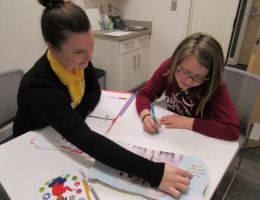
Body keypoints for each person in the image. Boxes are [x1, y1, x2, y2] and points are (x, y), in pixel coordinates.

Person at [13, 0, 192, 198]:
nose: (89, 57)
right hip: (31, 144)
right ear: (51, 47)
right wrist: (154, 173)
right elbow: (86, 139)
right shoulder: (39, 85)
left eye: (91, 46)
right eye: (79, 51)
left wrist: (75, 116)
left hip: (58, 132)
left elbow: (93, 92)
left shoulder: (79, 61)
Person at [136, 32, 240, 141]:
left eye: (199, 77)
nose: (189, 82)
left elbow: (232, 130)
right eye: (184, 72)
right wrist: (145, 116)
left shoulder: (215, 85)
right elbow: (145, 94)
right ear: (175, 63)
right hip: (175, 135)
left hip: (201, 139)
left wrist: (187, 122)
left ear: (210, 75)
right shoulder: (169, 67)